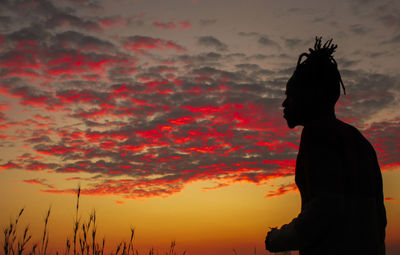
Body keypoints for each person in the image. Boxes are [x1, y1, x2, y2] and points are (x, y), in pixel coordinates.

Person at [265, 37, 387, 255]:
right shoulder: (359, 141)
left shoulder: (317, 134)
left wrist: (277, 239)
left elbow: (325, 209)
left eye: (291, 95)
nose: (284, 103)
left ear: (310, 97)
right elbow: (380, 217)